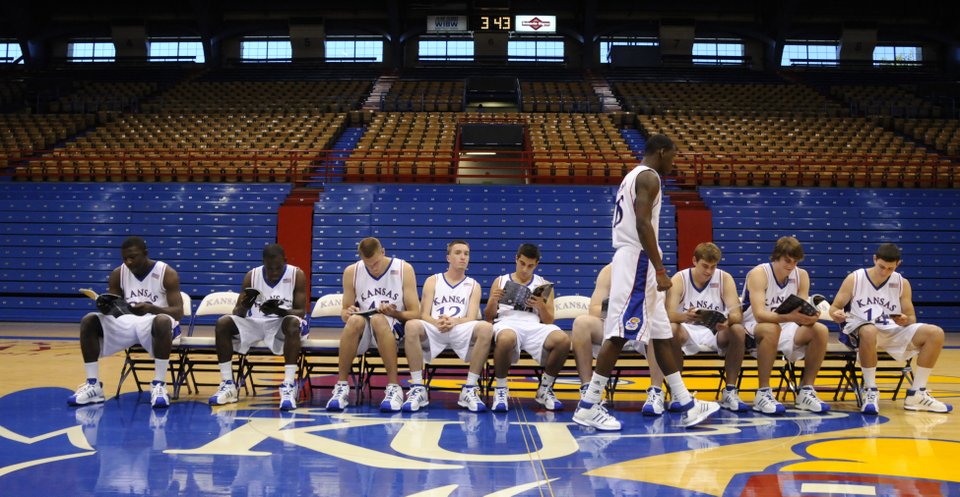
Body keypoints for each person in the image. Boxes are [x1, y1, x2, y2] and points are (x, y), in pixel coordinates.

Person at [573, 134, 719, 431]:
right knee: (619, 332)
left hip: (637, 260)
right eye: (673, 156)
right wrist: (660, 268)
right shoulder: (649, 177)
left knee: (661, 334)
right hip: (638, 259)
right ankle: (589, 405)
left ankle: (686, 403)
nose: (673, 162)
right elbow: (642, 223)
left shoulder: (632, 176)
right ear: (661, 152)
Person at [829, 243, 952, 414]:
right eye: (881, 266)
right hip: (860, 331)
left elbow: (911, 318)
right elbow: (834, 308)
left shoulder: (902, 283)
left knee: (935, 333)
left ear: (898, 264)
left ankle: (917, 393)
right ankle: (870, 391)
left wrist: (905, 320)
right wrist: (837, 314)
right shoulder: (855, 278)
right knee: (870, 330)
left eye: (890, 268)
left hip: (891, 330)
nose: (884, 272)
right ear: (874, 259)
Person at [68, 236, 184, 409]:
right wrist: (105, 307)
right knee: (89, 320)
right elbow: (115, 307)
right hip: (126, 321)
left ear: (145, 254)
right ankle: (93, 385)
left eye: (133, 257)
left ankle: (159, 385)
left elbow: (178, 312)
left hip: (155, 321)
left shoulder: (166, 273)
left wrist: (151, 308)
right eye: (125, 258)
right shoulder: (118, 274)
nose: (128, 262)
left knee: (162, 321)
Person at [644, 242, 749, 415]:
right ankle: (678, 393)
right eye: (705, 266)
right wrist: (686, 316)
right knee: (671, 328)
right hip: (688, 329)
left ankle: (730, 391)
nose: (708, 271)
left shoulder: (724, 278)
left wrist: (728, 322)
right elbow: (668, 314)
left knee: (738, 329)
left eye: (713, 267)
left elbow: (737, 314)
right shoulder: (680, 278)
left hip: (715, 331)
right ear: (694, 261)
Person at [208, 243, 307, 411]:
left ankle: (288, 385)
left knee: (293, 322)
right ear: (263, 263)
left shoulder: (296, 274)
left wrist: (277, 310)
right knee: (223, 323)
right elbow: (237, 312)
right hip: (256, 322)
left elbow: (301, 312)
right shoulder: (251, 276)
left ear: (285, 261)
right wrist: (245, 305)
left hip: (282, 323)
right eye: (270, 268)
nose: (274, 272)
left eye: (278, 268)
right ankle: (228, 385)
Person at [326, 237, 420, 412]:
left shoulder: (403, 269)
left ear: (383, 252)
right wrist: (346, 313)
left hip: (393, 322)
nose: (373, 268)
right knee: (354, 320)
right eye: (368, 264)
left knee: (378, 319)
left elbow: (415, 313)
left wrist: (394, 313)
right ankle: (341, 386)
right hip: (363, 323)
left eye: (376, 263)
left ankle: (394, 386)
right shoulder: (351, 272)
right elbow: (345, 311)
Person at [401, 240, 494, 412]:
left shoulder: (474, 285)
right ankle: (417, 387)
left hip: (460, 328)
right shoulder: (433, 280)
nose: (463, 257)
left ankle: (470, 389)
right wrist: (436, 322)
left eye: (466, 253)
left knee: (486, 328)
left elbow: (472, 317)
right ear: (448, 258)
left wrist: (454, 321)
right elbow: (424, 314)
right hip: (435, 327)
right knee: (412, 325)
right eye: (458, 253)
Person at [742, 235, 830, 415]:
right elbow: (759, 315)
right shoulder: (759, 274)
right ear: (776, 257)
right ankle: (763, 392)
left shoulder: (801, 275)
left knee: (820, 330)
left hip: (787, 323)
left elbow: (802, 309)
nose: (791, 265)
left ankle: (806, 391)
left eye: (795, 262)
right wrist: (791, 317)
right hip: (754, 325)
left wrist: (810, 317)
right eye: (787, 261)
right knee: (771, 328)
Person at [483, 243, 570, 413]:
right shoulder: (500, 281)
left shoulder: (543, 284)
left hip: (533, 325)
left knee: (563, 340)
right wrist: (493, 300)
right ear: (516, 259)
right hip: (506, 322)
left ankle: (545, 388)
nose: (525, 269)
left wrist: (541, 306)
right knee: (506, 338)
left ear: (536, 264)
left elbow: (549, 320)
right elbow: (488, 317)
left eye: (530, 266)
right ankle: (500, 389)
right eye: (522, 263)